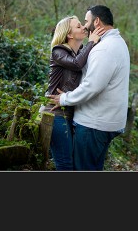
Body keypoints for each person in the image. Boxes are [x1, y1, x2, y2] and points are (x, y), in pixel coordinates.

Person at [48, 5, 130, 171]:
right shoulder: (115, 43)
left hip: (94, 123)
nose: (85, 26)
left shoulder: (105, 48)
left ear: (97, 21)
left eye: (85, 21)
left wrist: (64, 98)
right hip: (100, 121)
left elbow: (92, 86)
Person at [43, 15, 101, 170]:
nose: (84, 28)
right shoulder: (58, 51)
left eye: (82, 25)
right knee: (65, 163)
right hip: (55, 113)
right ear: (69, 35)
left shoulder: (79, 53)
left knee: (73, 163)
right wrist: (91, 42)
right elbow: (76, 65)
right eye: (78, 26)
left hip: (70, 112)